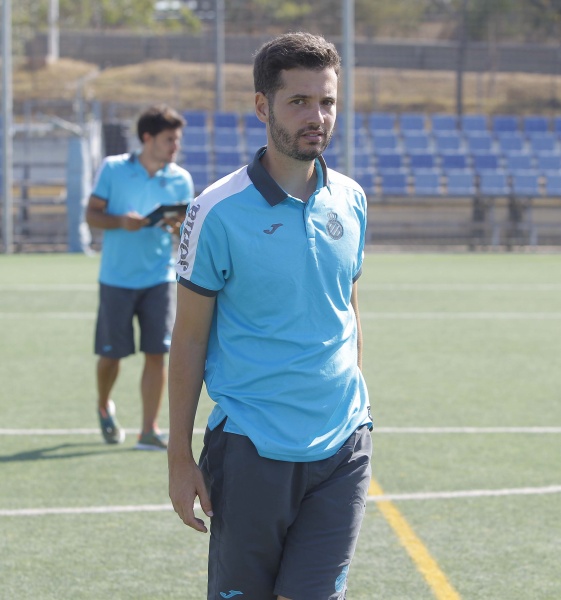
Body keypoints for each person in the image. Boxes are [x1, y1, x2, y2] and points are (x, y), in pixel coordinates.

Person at [168, 32, 372, 599]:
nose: (317, 117)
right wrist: (179, 457)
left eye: (327, 101)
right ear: (263, 106)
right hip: (251, 449)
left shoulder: (351, 199)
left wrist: (356, 403)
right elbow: (188, 339)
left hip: (343, 445)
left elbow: (347, 306)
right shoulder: (216, 210)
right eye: (299, 101)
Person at [86, 104, 194, 450]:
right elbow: (91, 215)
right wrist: (120, 221)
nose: (175, 146)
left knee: (156, 352)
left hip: (159, 277)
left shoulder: (181, 179)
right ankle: (104, 404)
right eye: (169, 139)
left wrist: (177, 227)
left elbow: (186, 229)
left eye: (177, 140)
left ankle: (148, 430)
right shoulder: (113, 168)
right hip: (116, 277)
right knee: (111, 356)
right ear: (147, 138)